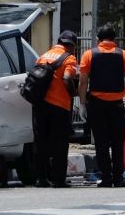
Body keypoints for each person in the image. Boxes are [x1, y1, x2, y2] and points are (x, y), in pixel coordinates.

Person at [78, 24, 125, 188]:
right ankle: (118, 178)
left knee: (101, 142)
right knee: (118, 142)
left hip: (96, 105)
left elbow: (83, 82)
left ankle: (106, 178)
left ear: (98, 39)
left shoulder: (89, 54)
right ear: (114, 39)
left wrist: (82, 103)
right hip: (117, 105)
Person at [33, 30, 79, 188]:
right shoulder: (69, 58)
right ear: (72, 46)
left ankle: (41, 178)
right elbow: (66, 78)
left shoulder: (43, 56)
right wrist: (73, 92)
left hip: (40, 105)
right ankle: (59, 179)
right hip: (59, 107)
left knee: (41, 143)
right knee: (60, 144)